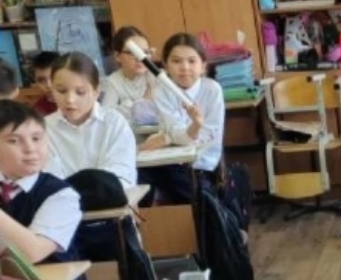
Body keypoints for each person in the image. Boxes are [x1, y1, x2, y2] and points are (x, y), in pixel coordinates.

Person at [0, 101, 90, 280]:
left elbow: (32, 252)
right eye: (14, 141)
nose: (30, 149)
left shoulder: (61, 195)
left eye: (37, 138)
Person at [139, 33, 224, 204]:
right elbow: (175, 129)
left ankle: (208, 211)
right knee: (140, 179)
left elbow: (209, 135)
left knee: (191, 192)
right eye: (176, 61)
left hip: (202, 162)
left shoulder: (212, 89)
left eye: (192, 61)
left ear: (203, 66)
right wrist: (183, 132)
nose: (184, 67)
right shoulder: (161, 91)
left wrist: (168, 138)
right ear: (166, 66)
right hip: (170, 161)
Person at [44, 52, 137, 187]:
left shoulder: (114, 123)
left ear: (96, 92)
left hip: (110, 198)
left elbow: (122, 176)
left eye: (80, 92)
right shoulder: (43, 129)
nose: (70, 100)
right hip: (62, 200)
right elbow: (47, 181)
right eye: (61, 91)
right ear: (52, 90)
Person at [101, 26, 158, 129]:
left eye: (145, 52)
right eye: (132, 53)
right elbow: (106, 115)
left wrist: (126, 106)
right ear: (117, 56)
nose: (140, 58)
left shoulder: (156, 76)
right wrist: (138, 106)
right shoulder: (112, 82)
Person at [30, 51, 58, 116]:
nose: (48, 85)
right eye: (41, 80)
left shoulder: (76, 103)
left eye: (53, 77)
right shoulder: (37, 110)